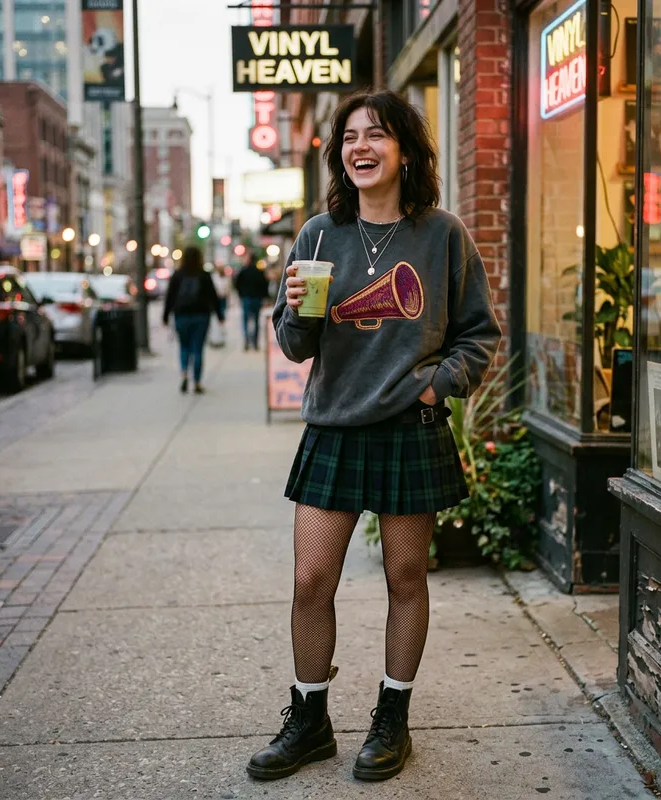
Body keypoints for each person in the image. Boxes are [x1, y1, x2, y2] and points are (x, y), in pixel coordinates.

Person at [246, 89, 501, 783]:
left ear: (406, 151)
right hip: (333, 427)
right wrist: (296, 312)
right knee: (310, 580)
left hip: (410, 427)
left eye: (377, 135)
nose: (361, 147)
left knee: (405, 577)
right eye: (351, 137)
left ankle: (393, 717)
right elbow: (294, 346)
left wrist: (437, 385)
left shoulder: (442, 234)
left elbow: (479, 333)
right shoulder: (317, 235)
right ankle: (310, 720)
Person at [162, 246, 224, 394]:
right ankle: (196, 381)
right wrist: (220, 315)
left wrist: (165, 316)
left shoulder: (177, 275)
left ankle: (184, 373)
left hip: (181, 316)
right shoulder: (204, 275)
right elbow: (213, 296)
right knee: (198, 348)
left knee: (184, 346)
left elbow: (170, 296)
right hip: (201, 316)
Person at [234, 256, 269, 350]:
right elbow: (264, 285)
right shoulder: (259, 272)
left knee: (245, 320)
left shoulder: (243, 271)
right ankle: (255, 342)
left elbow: (236, 284)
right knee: (256, 320)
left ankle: (246, 339)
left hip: (246, 298)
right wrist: (265, 297)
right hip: (257, 299)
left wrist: (241, 294)